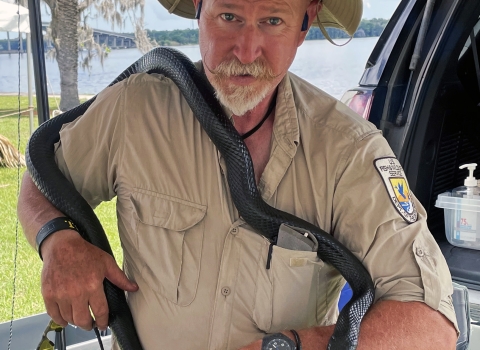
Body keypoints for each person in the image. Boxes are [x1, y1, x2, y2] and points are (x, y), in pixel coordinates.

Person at [18, 0, 459, 349]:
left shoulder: (349, 151)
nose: (246, 51)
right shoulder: (132, 110)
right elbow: (41, 175)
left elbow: (430, 325)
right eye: (228, 16)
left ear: (306, 22)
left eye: (272, 20)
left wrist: (289, 347)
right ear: (198, 8)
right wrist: (58, 239)